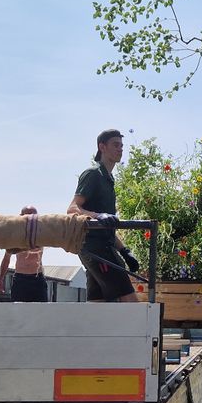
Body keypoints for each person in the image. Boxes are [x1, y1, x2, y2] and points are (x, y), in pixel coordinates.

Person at [68, 129, 140, 302]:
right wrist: (97, 215)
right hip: (96, 248)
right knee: (130, 302)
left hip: (100, 247)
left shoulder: (108, 179)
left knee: (97, 305)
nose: (120, 149)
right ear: (102, 147)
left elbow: (107, 224)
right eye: (116, 145)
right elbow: (72, 208)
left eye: (122, 146)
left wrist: (125, 251)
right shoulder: (93, 174)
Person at [0, 205, 49, 302]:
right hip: (20, 278)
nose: (31, 218)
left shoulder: (41, 233)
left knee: (41, 312)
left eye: (33, 215)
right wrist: (0, 279)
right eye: (28, 215)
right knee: (18, 312)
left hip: (37, 278)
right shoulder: (14, 236)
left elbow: (56, 234)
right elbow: (6, 259)